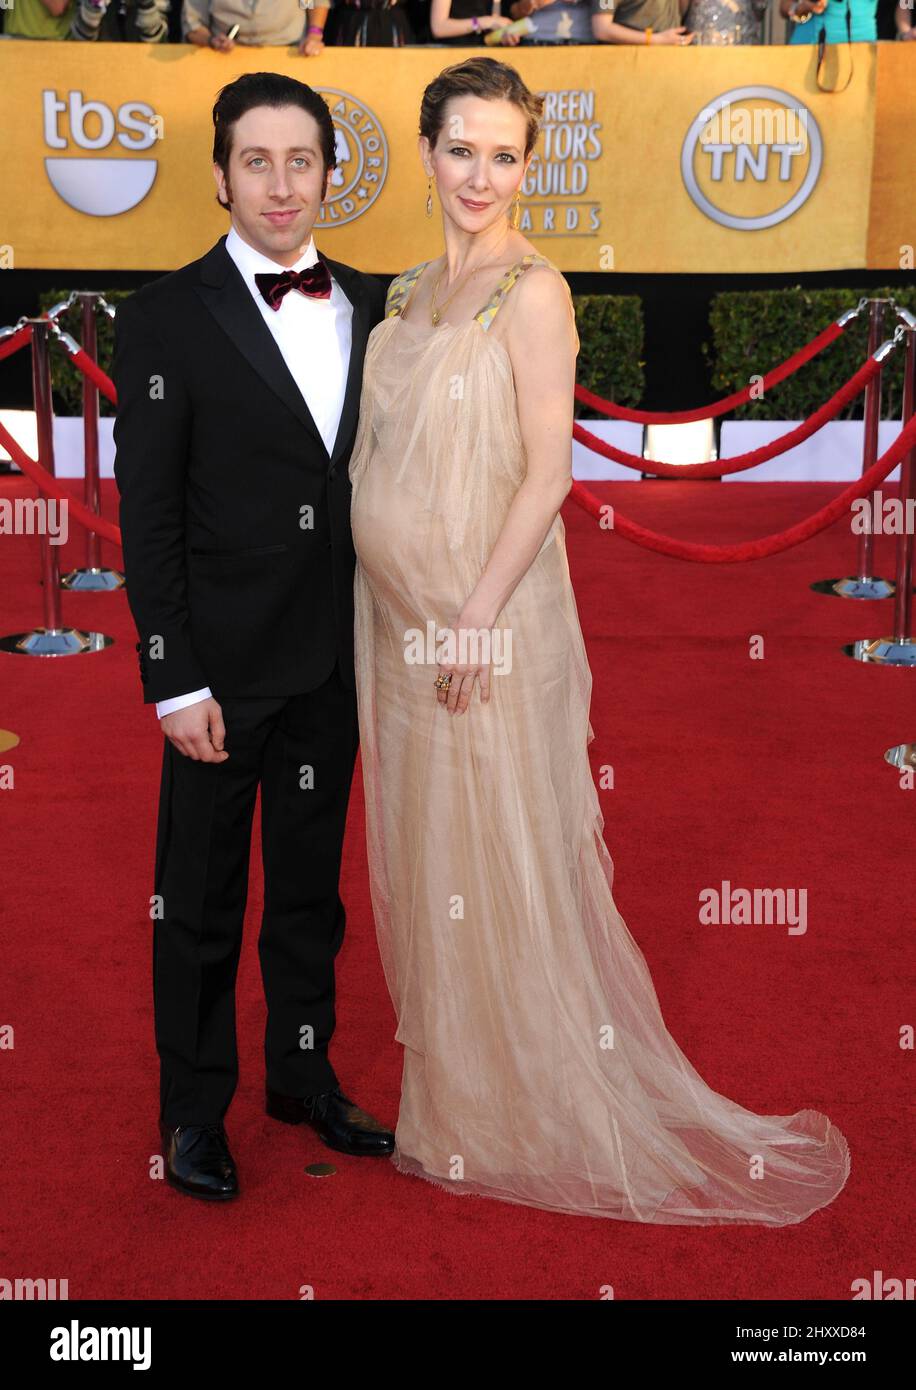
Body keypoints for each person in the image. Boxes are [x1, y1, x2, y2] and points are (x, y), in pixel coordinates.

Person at [348, 55, 852, 1223]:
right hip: (397, 625)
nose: (479, 175)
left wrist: (475, 617)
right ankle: (454, 1107)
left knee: (503, 855)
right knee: (431, 861)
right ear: (425, 153)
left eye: (503, 154)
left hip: (483, 625)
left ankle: (525, 1108)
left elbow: (547, 474)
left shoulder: (533, 292)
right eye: (460, 149)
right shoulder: (407, 290)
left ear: (530, 165)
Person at [112, 72, 393, 1202]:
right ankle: (192, 1113)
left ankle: (301, 1075)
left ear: (330, 173)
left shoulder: (377, 305)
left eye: (301, 161)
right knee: (200, 904)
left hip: (335, 658)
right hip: (220, 674)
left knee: (312, 895)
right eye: (257, 162)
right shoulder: (164, 317)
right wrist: (173, 679)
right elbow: (148, 515)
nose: (281, 185)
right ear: (221, 178)